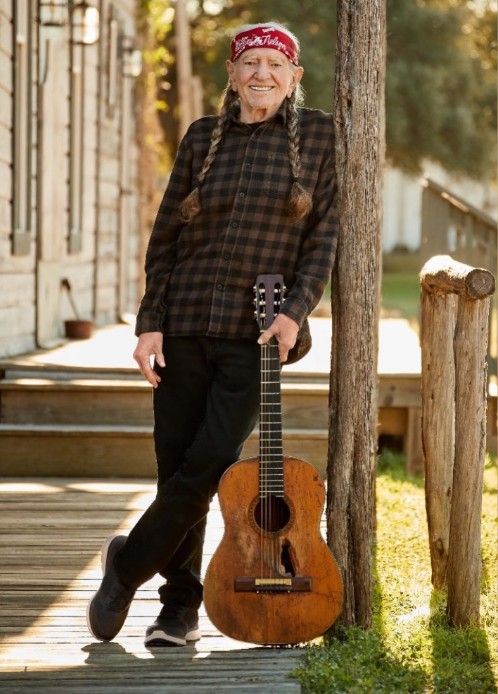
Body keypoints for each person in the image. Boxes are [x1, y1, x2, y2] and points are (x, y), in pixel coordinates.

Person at [87, 20, 338, 647]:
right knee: (175, 467)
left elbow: (324, 236)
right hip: (183, 323)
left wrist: (296, 310)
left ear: (294, 77)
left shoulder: (319, 137)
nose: (261, 74)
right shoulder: (202, 137)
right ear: (232, 74)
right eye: (250, 63)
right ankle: (179, 609)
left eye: (274, 65)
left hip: (257, 332)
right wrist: (150, 322)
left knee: (210, 465)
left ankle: (126, 566)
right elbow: (166, 236)